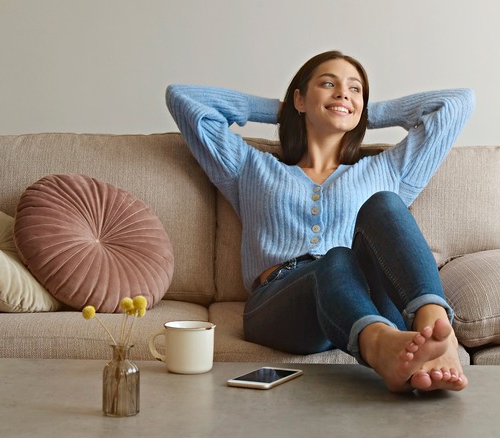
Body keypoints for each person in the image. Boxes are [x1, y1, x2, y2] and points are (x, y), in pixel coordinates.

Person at [166, 50, 474, 393]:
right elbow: (183, 98)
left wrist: (365, 113)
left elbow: (457, 104)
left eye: (355, 88)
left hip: (369, 299)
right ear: (299, 98)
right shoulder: (249, 167)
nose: (343, 93)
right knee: (337, 257)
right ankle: (380, 345)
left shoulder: (388, 170)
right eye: (328, 84)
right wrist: (284, 110)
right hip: (282, 304)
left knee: (385, 203)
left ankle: (433, 326)